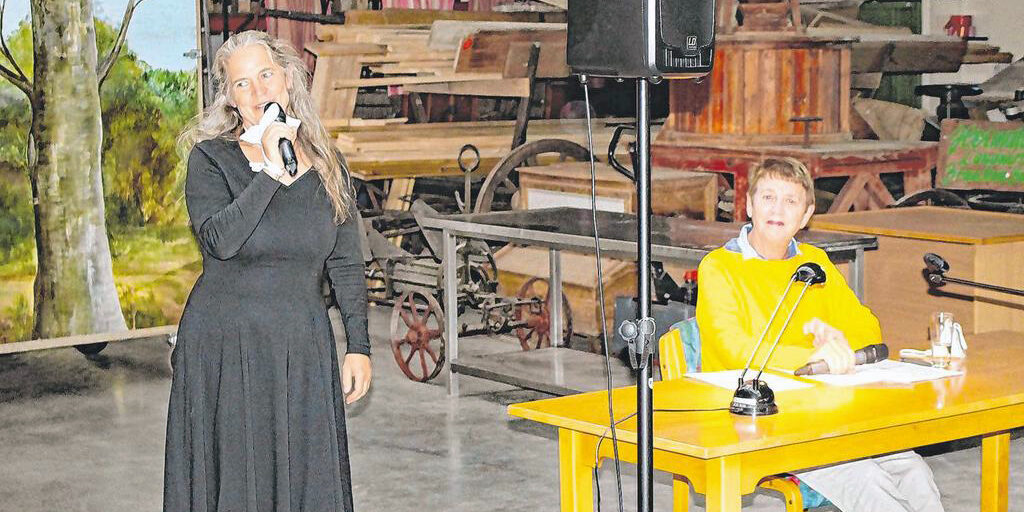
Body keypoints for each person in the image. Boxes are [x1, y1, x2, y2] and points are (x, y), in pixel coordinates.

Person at [164, 31, 371, 511]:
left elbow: (344, 260)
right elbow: (220, 240)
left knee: (306, 478)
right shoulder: (211, 159)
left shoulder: (328, 165)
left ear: (287, 79)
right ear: (230, 98)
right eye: (242, 84)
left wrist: (358, 345)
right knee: (237, 479)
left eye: (265, 76)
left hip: (301, 345)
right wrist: (270, 173)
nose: (258, 93)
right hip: (226, 346)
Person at [695, 158, 944, 512]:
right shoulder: (719, 267)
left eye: (791, 201)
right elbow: (735, 349)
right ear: (748, 204)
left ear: (807, 213)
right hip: (758, 416)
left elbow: (867, 328)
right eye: (767, 197)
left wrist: (835, 336)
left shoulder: (815, 263)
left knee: (913, 470)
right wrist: (812, 357)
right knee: (867, 481)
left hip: (824, 411)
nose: (777, 209)